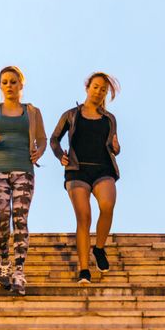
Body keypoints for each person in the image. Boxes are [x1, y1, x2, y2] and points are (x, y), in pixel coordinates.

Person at [0, 66, 47, 295]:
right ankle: (5, 260)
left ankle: (19, 272)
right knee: (3, 216)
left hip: (23, 170)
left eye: (13, 82)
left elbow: (42, 139)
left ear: (21, 85)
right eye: (4, 82)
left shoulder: (32, 112)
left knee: (21, 219)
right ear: (0, 86)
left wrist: (39, 152)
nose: (9, 86)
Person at [50, 72, 121, 284]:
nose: (99, 92)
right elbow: (54, 139)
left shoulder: (109, 119)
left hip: (103, 168)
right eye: (96, 87)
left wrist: (117, 148)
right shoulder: (71, 115)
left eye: (103, 90)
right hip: (76, 170)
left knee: (107, 205)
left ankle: (99, 249)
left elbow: (114, 146)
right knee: (84, 217)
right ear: (87, 87)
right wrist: (59, 154)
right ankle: (84, 270)